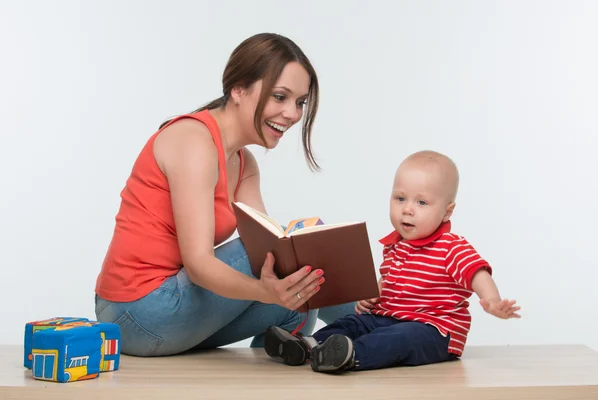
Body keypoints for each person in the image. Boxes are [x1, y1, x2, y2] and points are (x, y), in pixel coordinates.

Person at [94, 32, 355, 357]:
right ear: (238, 90)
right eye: (280, 96)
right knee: (285, 250)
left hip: (169, 320)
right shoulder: (194, 141)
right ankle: (382, 314)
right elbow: (201, 263)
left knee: (297, 306)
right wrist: (265, 290)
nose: (292, 113)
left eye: (300, 102)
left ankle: (373, 317)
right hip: (134, 313)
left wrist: (279, 289)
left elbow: (277, 253)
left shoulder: (244, 165)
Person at [263, 150, 521, 373]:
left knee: (398, 338)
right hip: (388, 317)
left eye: (421, 202)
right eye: (400, 198)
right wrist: (371, 296)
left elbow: (478, 274)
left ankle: (350, 355)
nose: (407, 209)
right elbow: (387, 281)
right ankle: (308, 347)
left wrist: (493, 301)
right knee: (353, 322)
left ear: (447, 211)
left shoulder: (451, 247)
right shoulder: (395, 245)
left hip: (434, 330)